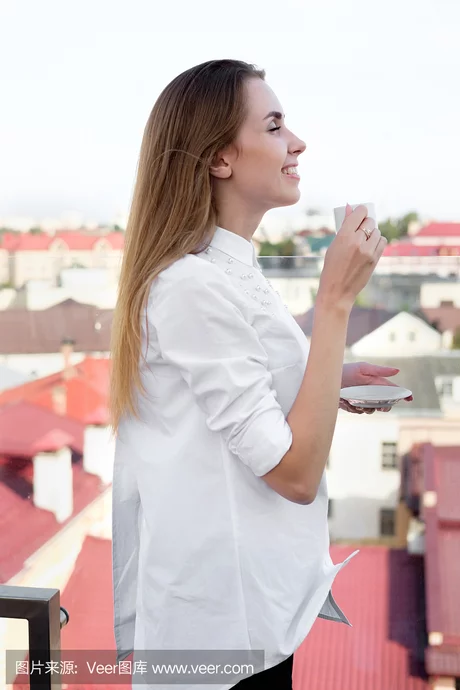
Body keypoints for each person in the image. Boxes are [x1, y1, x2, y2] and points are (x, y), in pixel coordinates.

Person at [109, 59, 390, 690]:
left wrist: (327, 374)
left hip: (254, 626)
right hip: (220, 646)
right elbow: (294, 475)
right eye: (274, 126)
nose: (297, 143)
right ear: (219, 159)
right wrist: (336, 303)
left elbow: (247, 383)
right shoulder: (190, 286)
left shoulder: (228, 271)